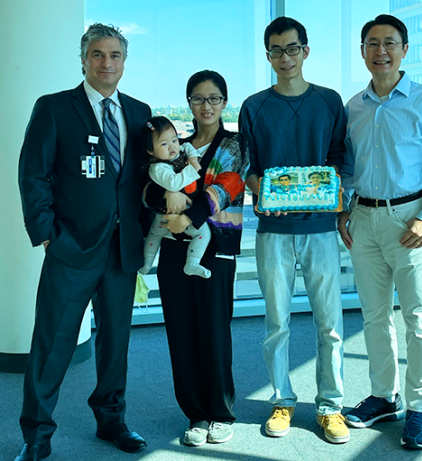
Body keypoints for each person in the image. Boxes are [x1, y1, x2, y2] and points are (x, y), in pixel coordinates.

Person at [17, 23, 151, 461]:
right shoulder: (54, 108)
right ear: (83, 59)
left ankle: (111, 419)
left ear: (124, 62)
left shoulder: (139, 112)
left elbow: (141, 181)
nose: (106, 62)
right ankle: (36, 435)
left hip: (121, 251)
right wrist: (47, 237)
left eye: (114, 55)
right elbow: (33, 174)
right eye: (97, 54)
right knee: (52, 344)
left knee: (115, 344)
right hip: (70, 249)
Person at [338, 14, 422, 450]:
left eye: (390, 43)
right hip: (364, 221)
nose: (381, 51)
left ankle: (420, 408)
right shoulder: (353, 106)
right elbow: (349, 168)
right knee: (373, 315)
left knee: (418, 317)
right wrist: (343, 209)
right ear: (363, 51)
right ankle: (382, 396)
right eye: (372, 43)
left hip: (412, 219)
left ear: (405, 50)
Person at [239, 16, 349, 444]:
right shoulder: (254, 106)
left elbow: (340, 156)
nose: (284, 58)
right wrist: (262, 194)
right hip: (274, 229)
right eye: (275, 51)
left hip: (321, 228)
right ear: (268, 56)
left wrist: (331, 190)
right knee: (276, 322)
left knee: (331, 324)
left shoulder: (329, 101)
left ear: (306, 50)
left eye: (291, 48)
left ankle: (330, 406)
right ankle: (282, 400)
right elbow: (249, 167)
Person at [144, 70, 249, 447]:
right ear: (188, 102)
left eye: (214, 98)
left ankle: (220, 412)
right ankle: (195, 412)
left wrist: (185, 216)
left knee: (214, 330)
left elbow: (228, 186)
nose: (207, 106)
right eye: (199, 98)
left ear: (224, 102)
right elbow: (152, 185)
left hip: (216, 247)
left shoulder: (234, 145)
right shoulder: (176, 147)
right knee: (181, 330)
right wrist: (164, 205)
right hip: (175, 250)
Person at [139, 116, 212, 279]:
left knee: (154, 236)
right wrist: (192, 168)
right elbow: (173, 183)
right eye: (164, 144)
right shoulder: (157, 168)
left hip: (180, 213)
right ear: (151, 150)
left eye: (174, 139)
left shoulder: (180, 150)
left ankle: (149, 264)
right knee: (202, 233)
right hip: (165, 215)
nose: (172, 146)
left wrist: (192, 157)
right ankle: (147, 264)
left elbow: (187, 146)